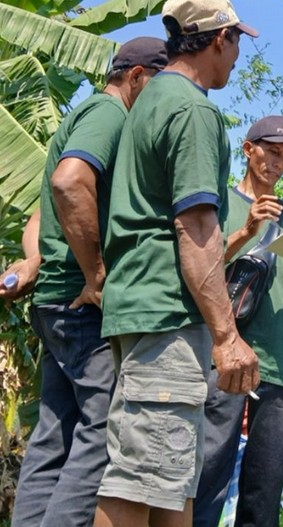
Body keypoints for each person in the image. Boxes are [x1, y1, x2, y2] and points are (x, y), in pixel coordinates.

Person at [94, 2, 259, 525]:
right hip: (166, 315)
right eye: (238, 41)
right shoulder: (192, 109)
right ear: (220, 38)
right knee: (137, 484)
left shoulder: (152, 98)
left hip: (144, 308)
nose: (238, 55)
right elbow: (197, 227)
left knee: (169, 485)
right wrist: (227, 336)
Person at [5, 37, 168, 527]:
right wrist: (96, 274)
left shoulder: (83, 116)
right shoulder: (109, 115)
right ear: (136, 77)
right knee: (103, 432)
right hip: (81, 306)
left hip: (56, 303)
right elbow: (67, 183)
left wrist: (35, 260)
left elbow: (40, 216)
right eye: (159, 87)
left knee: (54, 437)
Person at [193, 115, 283, 527]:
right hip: (228, 357)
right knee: (208, 477)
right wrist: (247, 229)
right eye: (271, 152)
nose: (278, 163)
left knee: (266, 487)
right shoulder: (218, 203)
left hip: (281, 360)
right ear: (249, 149)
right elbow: (200, 270)